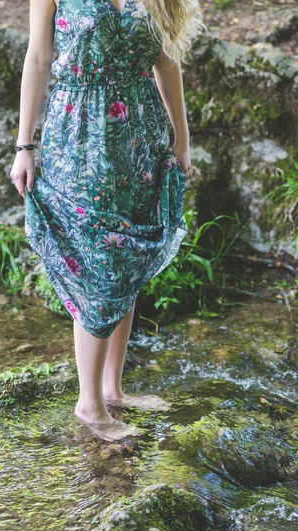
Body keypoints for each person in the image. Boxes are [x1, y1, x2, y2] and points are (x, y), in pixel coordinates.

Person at [10, 0, 204, 442]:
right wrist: (24, 146)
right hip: (77, 138)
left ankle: (113, 390)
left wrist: (182, 139)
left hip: (139, 138)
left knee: (127, 259)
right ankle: (89, 404)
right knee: (99, 267)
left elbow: (166, 60)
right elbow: (39, 57)